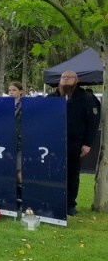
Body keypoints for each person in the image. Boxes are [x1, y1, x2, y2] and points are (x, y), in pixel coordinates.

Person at [47, 71, 100, 216]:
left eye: (68, 78)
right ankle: (54, 201)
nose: (65, 80)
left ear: (76, 80)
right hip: (53, 143)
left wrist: (88, 144)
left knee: (72, 174)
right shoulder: (52, 98)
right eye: (63, 78)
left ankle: (70, 204)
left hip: (75, 143)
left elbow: (93, 123)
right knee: (53, 173)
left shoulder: (86, 98)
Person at [8, 81, 23, 206]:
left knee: (19, 169)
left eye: (14, 90)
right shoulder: (6, 105)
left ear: (20, 91)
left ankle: (20, 194)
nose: (11, 92)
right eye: (9, 90)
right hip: (7, 141)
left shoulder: (24, 105)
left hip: (19, 141)